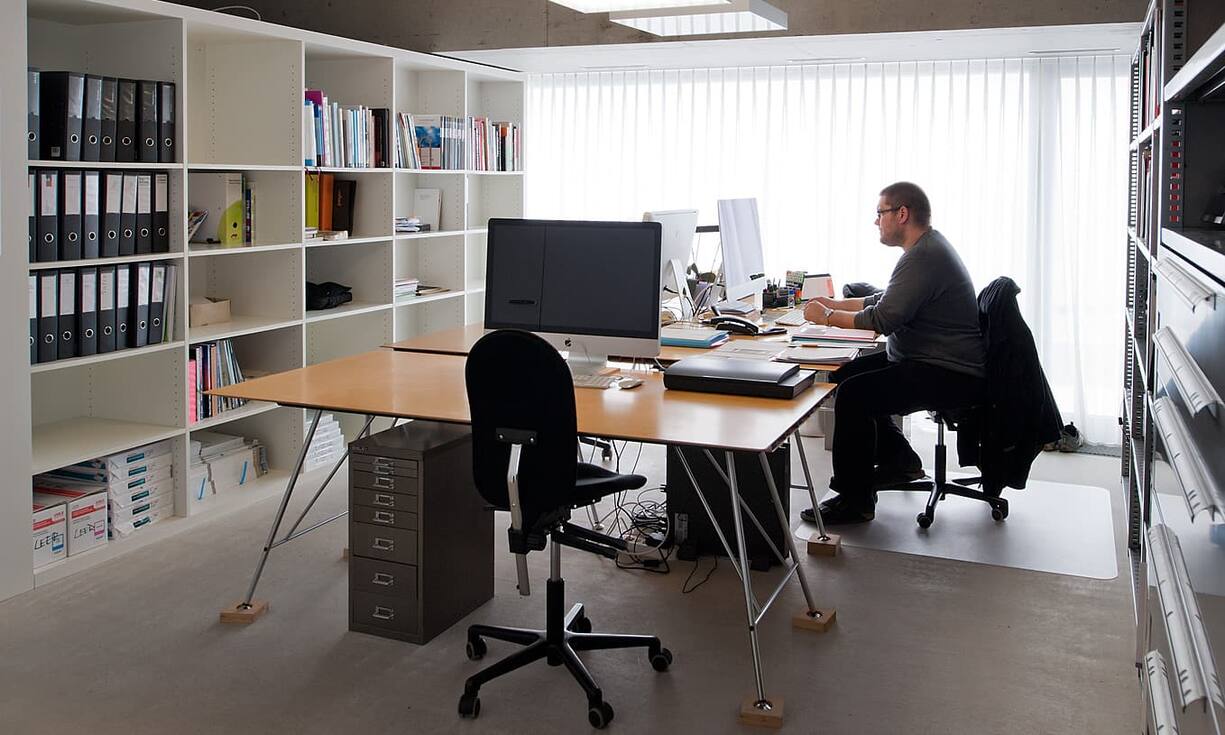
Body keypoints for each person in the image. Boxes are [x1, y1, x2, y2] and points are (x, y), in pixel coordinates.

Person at [800, 182, 986, 525]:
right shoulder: (924, 250)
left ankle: (854, 500)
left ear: (902, 214)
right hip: (924, 357)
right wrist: (833, 304)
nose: (876, 222)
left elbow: (883, 319)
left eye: (880, 213)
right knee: (845, 375)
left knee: (856, 395)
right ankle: (900, 461)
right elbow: (885, 300)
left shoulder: (924, 257)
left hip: (947, 370)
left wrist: (826, 318)